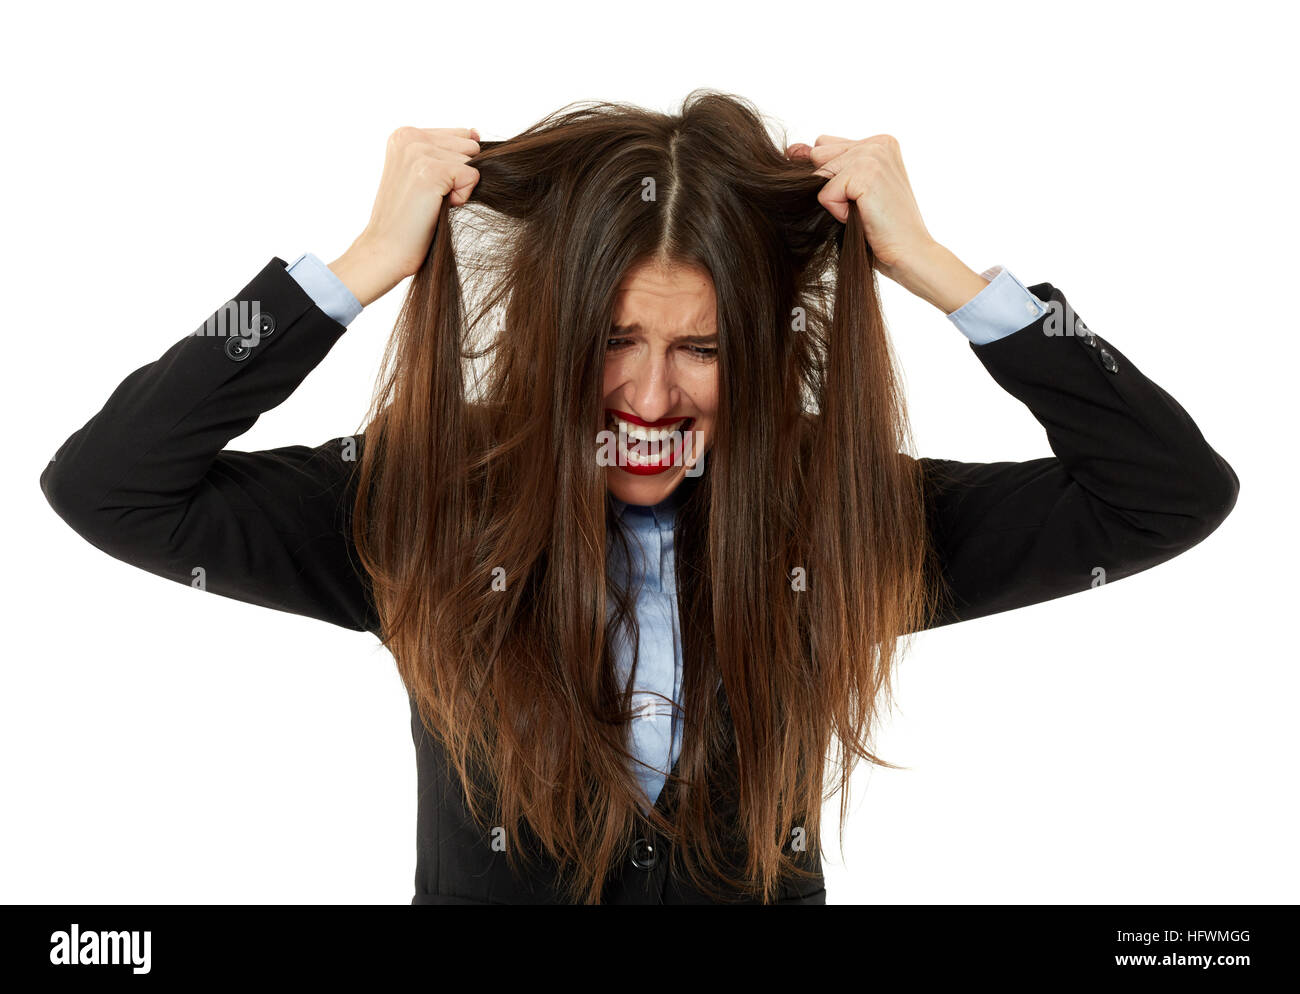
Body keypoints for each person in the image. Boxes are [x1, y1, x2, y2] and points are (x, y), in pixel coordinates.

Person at [39, 91, 1239, 904]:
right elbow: (110, 480)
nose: (651, 399)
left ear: (760, 357)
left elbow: (1168, 491)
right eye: (614, 340)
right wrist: (348, 273)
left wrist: (946, 273)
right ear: (553, 334)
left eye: (702, 352)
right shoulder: (420, 503)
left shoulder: (836, 517)